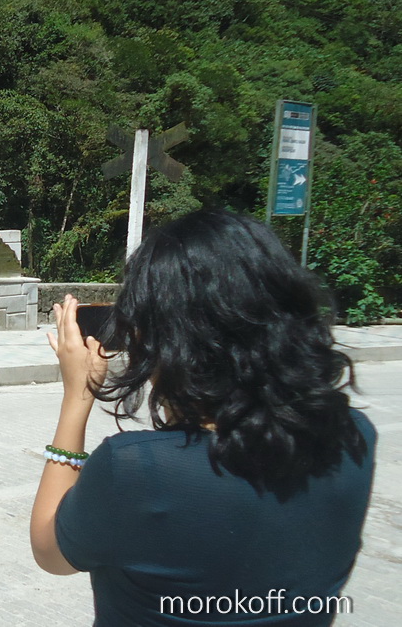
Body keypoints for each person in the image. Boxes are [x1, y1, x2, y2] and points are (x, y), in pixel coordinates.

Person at [30, 209, 375, 625]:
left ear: (167, 337)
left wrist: (79, 395)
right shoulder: (355, 437)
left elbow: (50, 551)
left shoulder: (138, 467)